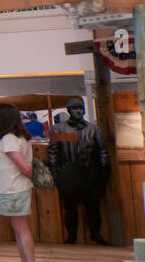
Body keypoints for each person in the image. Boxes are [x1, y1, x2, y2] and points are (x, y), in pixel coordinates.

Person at [0, 103, 43, 262]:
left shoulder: (10, 139)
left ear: (3, 118)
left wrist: (28, 174)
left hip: (13, 189)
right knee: (19, 229)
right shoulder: (15, 138)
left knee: (21, 229)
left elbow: (26, 168)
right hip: (13, 189)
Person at [47, 97, 110, 245]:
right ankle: (72, 236)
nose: (78, 111)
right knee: (70, 208)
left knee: (93, 207)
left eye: (80, 107)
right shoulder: (58, 129)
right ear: (68, 110)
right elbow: (53, 152)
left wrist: (104, 171)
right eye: (74, 108)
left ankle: (96, 234)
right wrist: (55, 172)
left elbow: (102, 150)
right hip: (68, 175)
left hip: (90, 174)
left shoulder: (93, 129)